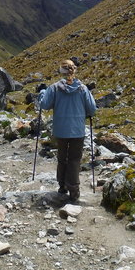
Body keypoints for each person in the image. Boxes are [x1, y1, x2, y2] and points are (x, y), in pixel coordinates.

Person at [37, 58, 97, 202]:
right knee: (75, 160)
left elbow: (44, 105)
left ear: (61, 71)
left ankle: (62, 186)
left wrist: (42, 93)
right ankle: (74, 191)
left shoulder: (54, 88)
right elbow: (92, 109)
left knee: (62, 159)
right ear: (73, 70)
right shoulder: (83, 89)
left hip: (61, 130)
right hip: (78, 131)